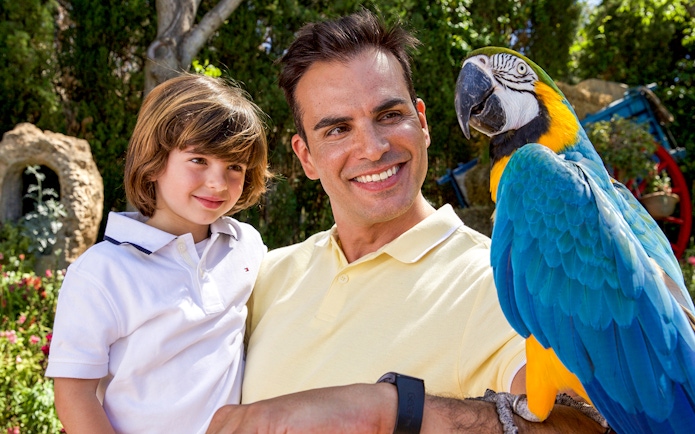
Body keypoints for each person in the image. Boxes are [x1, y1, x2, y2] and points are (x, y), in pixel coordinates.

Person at [207, 10, 604, 434]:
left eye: (389, 116)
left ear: (423, 123)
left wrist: (388, 412)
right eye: (338, 129)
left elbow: (585, 424)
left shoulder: (497, 280)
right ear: (306, 156)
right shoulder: (263, 274)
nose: (373, 148)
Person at [46, 74, 272, 433]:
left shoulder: (245, 245)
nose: (217, 182)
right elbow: (74, 392)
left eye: (234, 166)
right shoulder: (102, 272)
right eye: (199, 159)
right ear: (154, 163)